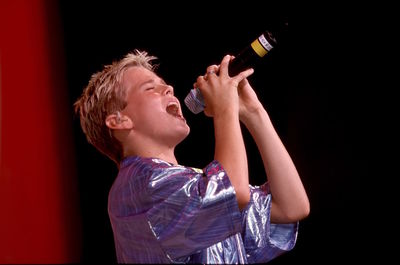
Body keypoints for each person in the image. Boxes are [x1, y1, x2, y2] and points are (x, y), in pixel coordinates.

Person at [74, 49, 310, 263]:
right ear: (119, 121)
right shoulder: (137, 188)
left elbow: (290, 208)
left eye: (165, 85)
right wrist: (224, 108)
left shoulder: (191, 186)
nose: (169, 89)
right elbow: (233, 191)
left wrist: (253, 113)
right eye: (150, 88)